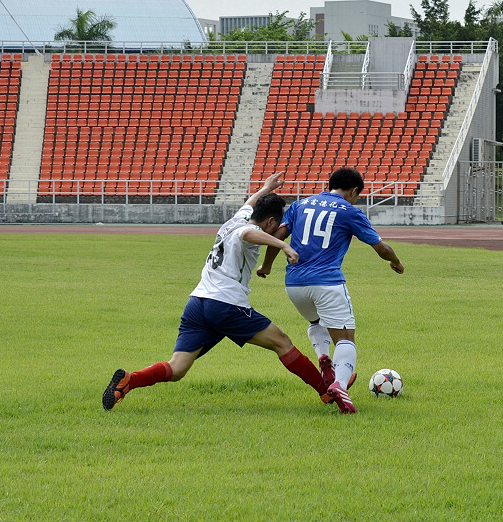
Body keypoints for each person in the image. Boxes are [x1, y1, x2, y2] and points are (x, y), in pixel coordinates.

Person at [102, 172, 333, 411]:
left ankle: (129, 381)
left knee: (177, 368)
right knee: (282, 342)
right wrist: (284, 245)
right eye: (275, 227)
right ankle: (327, 392)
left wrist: (265, 188)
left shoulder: (235, 219)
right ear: (271, 222)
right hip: (225, 304)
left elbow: (248, 204)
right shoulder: (246, 231)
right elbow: (248, 234)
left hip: (198, 302)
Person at [257, 167, 405, 414]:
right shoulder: (350, 211)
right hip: (327, 283)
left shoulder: (300, 205)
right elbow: (380, 246)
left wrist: (267, 265)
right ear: (354, 190)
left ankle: (324, 357)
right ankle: (339, 385)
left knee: (317, 321)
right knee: (346, 338)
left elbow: (280, 235)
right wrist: (396, 261)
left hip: (294, 285)